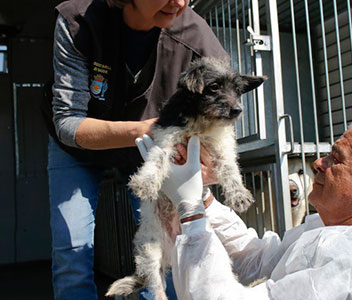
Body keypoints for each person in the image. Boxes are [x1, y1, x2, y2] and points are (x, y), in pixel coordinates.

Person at [41, 0, 227, 299]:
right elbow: (67, 123)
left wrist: (208, 162)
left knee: (165, 246)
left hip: (152, 147)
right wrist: (144, 131)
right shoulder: (77, 21)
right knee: (72, 251)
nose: (179, 3)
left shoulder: (197, 38)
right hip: (79, 145)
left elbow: (222, 114)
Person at [136, 116, 352, 299]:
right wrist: (202, 196)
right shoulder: (336, 227)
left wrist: (190, 209)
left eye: (336, 158)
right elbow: (259, 259)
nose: (319, 163)